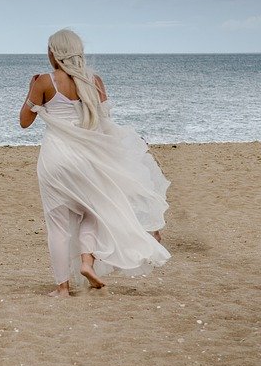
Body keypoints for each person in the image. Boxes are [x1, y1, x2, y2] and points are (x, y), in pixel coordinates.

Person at [20, 29, 170, 296]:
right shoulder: (94, 81)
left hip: (55, 159)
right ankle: (87, 261)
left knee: (57, 224)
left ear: (53, 52)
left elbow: (24, 122)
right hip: (87, 159)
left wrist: (31, 92)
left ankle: (62, 288)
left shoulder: (43, 81)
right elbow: (105, 123)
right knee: (93, 210)